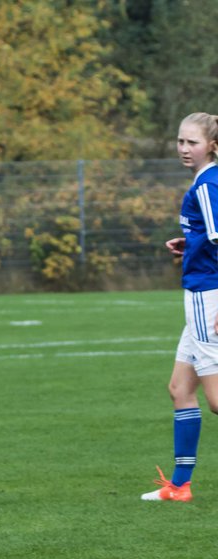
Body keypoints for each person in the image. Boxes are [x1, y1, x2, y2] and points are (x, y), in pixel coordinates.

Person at [143, 112, 218, 502]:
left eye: (193, 142)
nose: (184, 149)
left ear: (212, 146)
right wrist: (190, 245)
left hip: (210, 297)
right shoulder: (205, 182)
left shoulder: (209, 184)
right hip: (198, 294)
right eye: (180, 141)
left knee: (217, 400)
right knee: (179, 390)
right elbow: (211, 237)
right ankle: (180, 485)